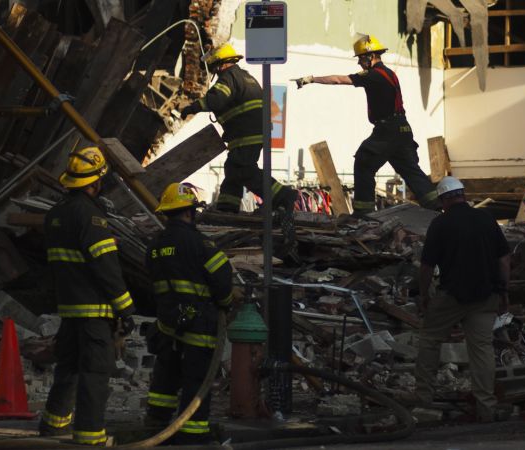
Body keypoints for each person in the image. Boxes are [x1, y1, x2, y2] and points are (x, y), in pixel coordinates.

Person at [39, 146, 136, 445]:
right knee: (95, 373)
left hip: (69, 309)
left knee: (67, 366)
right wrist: (126, 309)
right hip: (95, 312)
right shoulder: (91, 218)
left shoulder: (55, 214)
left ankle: (54, 424)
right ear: (94, 183)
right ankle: (89, 436)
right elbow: (105, 268)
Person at [293, 34, 439, 215]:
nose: (359, 64)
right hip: (402, 129)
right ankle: (436, 207)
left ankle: (363, 213)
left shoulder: (374, 75)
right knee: (410, 169)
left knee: (364, 163)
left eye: (361, 59)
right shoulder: (389, 73)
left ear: (370, 57)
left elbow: (339, 80)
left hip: (387, 130)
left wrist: (311, 79)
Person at [180, 43, 298, 257]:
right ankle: (227, 208)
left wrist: (192, 107)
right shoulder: (244, 76)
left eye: (213, 65)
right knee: (233, 169)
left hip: (246, 133)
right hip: (251, 132)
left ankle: (283, 195)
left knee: (244, 170)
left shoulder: (228, 77)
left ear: (219, 63)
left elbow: (217, 99)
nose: (213, 70)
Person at [143, 182, 233, 445]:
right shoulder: (200, 243)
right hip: (199, 319)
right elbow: (223, 280)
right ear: (189, 212)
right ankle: (192, 435)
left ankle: (157, 422)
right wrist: (224, 304)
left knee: (167, 372)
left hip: (168, 319)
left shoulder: (155, 245)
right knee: (197, 377)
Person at [415, 176, 511, 422]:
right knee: (481, 350)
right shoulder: (487, 219)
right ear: (463, 195)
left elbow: (427, 266)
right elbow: (503, 259)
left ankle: (423, 399)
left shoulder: (440, 223)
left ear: (445, 199)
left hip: (452, 295)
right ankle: (486, 407)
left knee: (429, 340)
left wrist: (424, 295)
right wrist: (503, 291)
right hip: (486, 295)